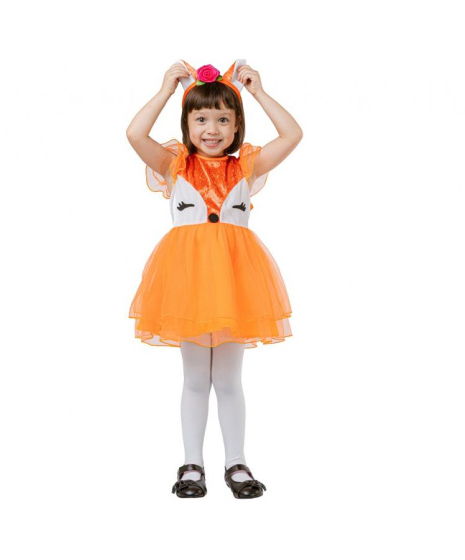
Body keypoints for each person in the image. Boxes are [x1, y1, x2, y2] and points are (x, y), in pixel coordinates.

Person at [126, 59, 302, 499]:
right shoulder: (174, 165)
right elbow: (135, 134)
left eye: (223, 119)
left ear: (238, 124)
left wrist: (258, 92)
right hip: (186, 281)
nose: (212, 128)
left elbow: (292, 135)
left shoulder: (246, 167)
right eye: (201, 118)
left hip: (235, 282)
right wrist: (166, 89)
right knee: (194, 379)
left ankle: (236, 463)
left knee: (227, 380)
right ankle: (192, 465)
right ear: (186, 125)